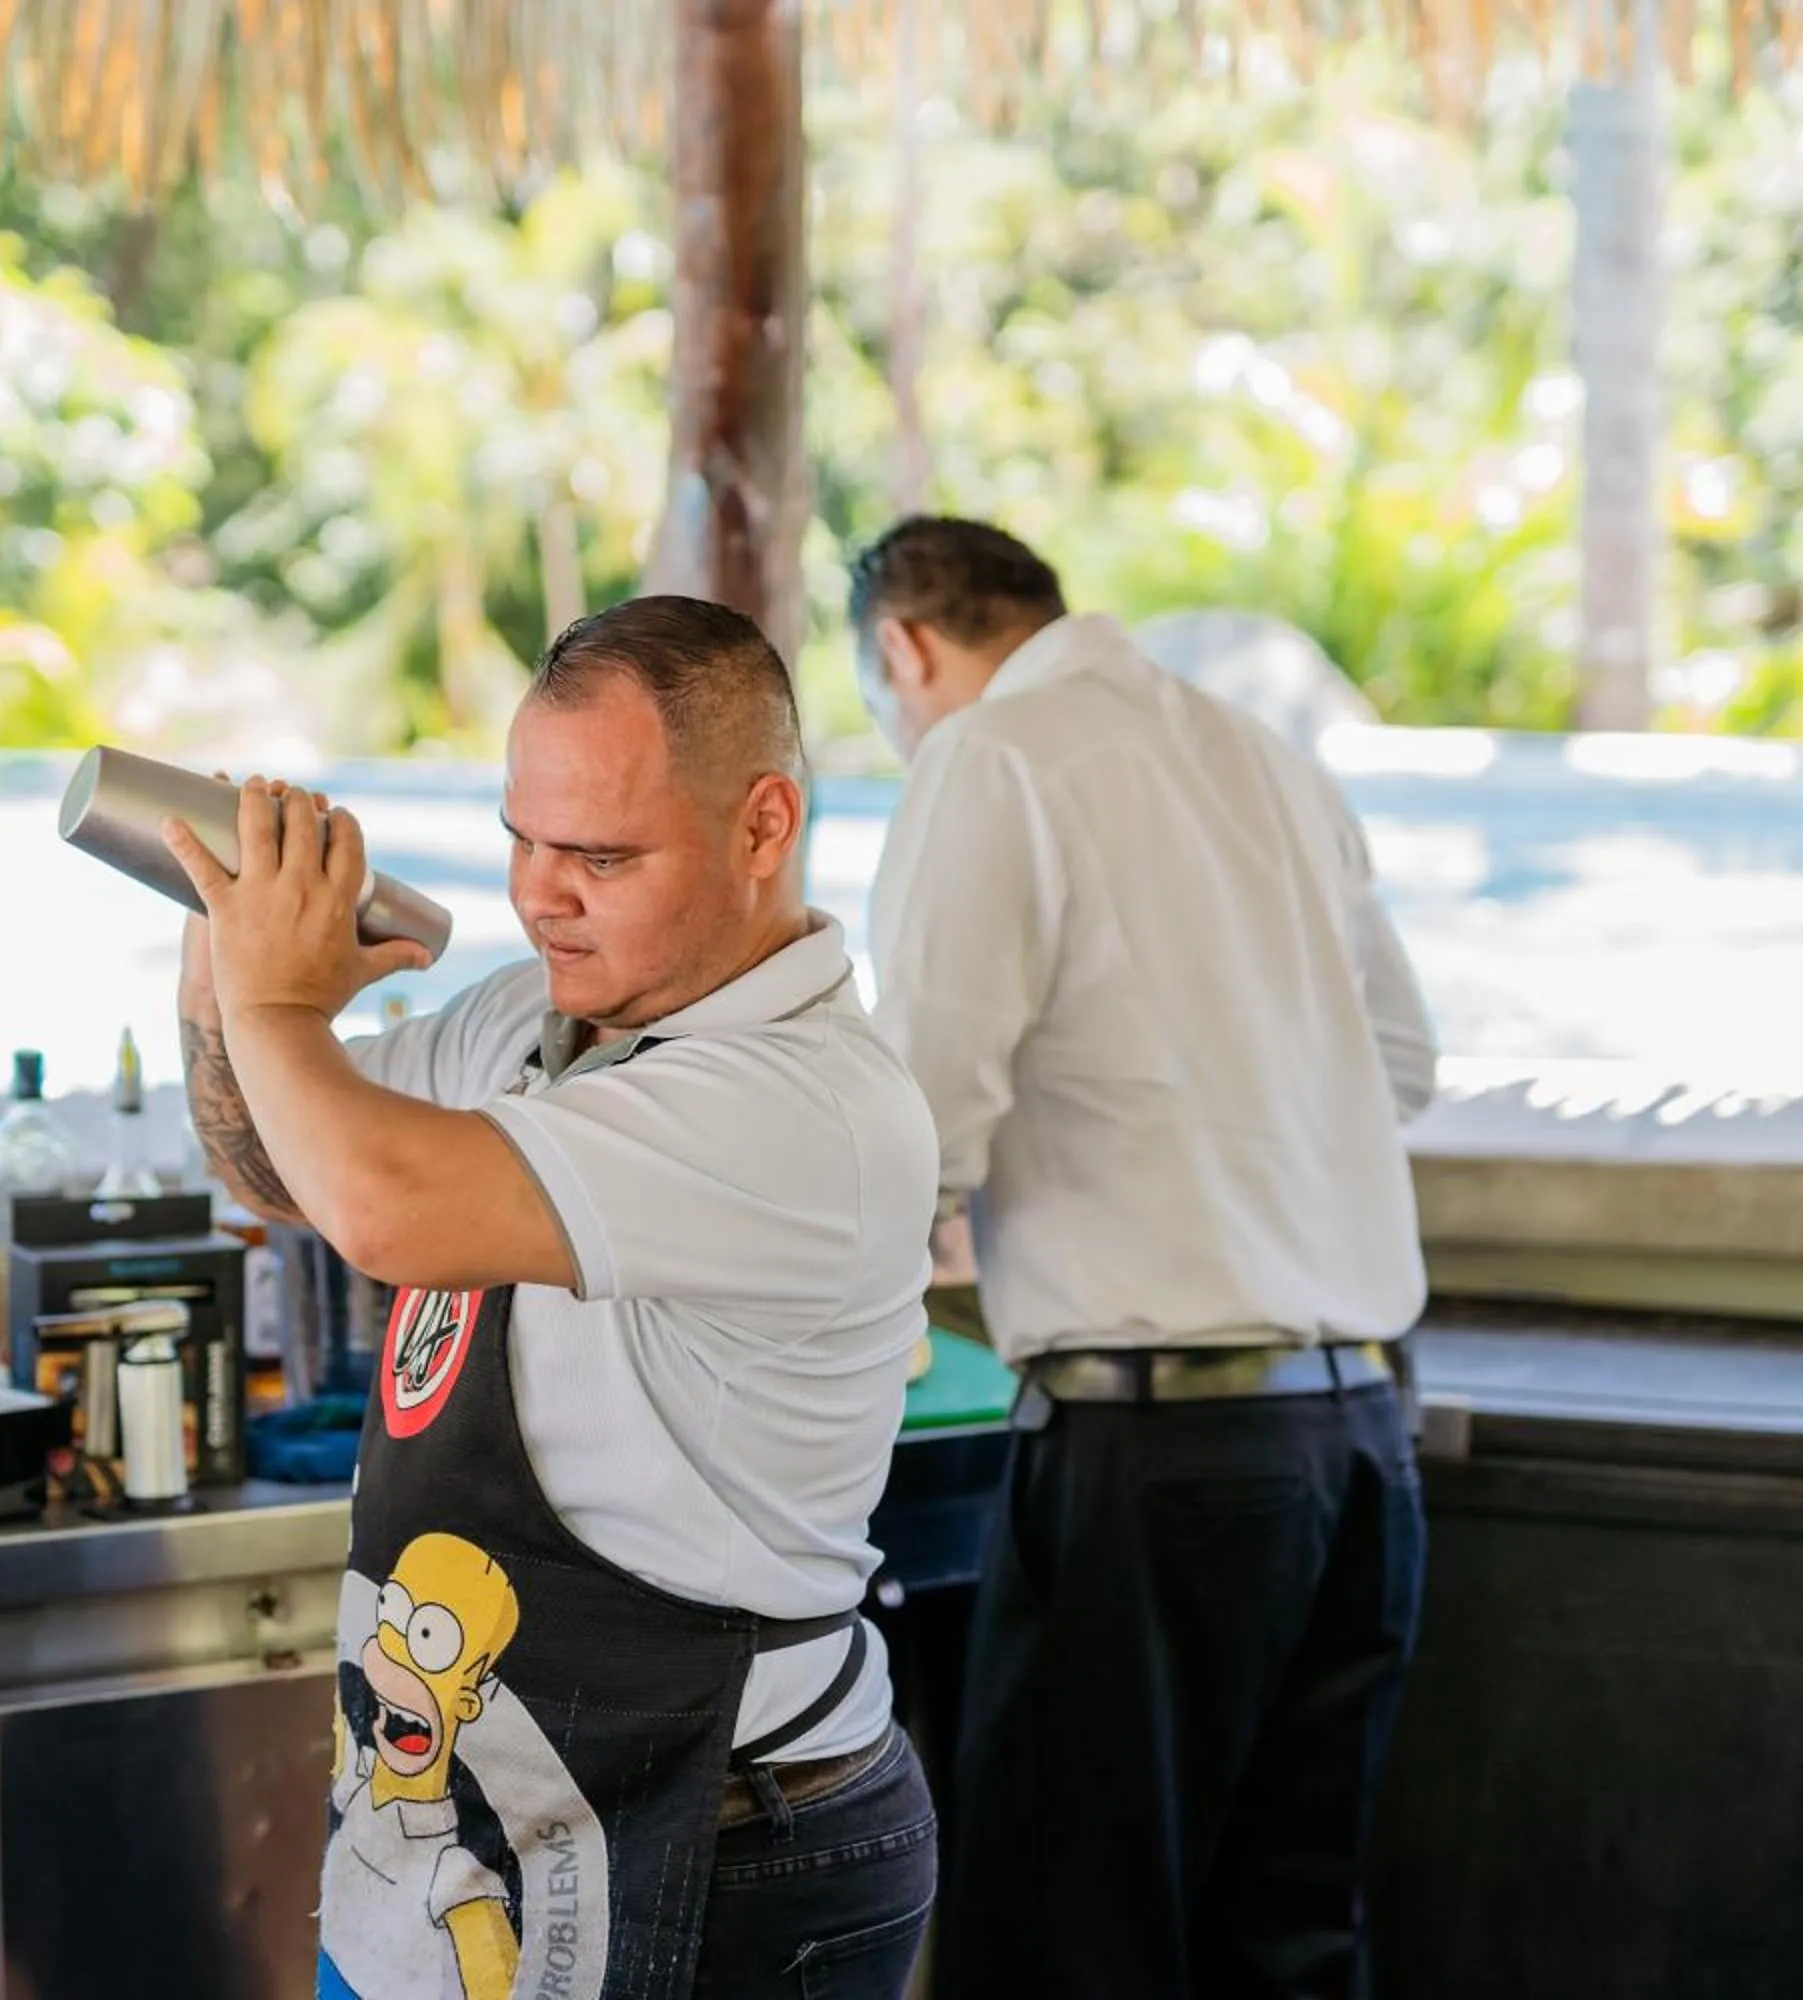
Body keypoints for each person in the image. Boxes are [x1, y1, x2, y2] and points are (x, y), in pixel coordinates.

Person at [171, 594, 941, 2000]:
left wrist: (283, 1013)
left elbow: (388, 1207)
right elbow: (283, 1173)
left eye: (599, 854)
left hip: (724, 1843)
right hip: (481, 1826)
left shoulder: (801, 1102)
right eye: (523, 839)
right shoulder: (528, 1021)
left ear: (764, 825)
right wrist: (223, 974)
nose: (539, 895)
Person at [850, 517, 1439, 2000]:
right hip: (1362, 1441)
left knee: (1067, 1949)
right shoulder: (1267, 760)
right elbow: (1399, 1066)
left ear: (908, 650)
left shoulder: (990, 758)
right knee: (1287, 1943)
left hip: (1160, 1450)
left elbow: (919, 1122)